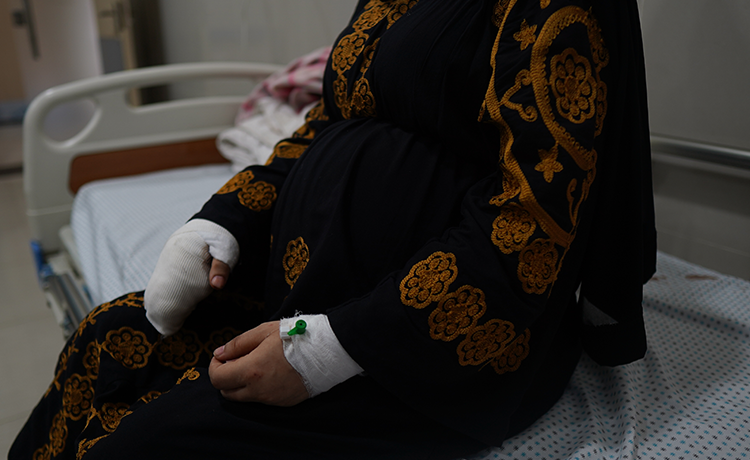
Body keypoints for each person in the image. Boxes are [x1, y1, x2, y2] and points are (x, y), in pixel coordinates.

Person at [10, 0, 656, 458]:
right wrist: (221, 220)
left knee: (146, 447)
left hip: (430, 343)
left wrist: (328, 348)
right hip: (308, 290)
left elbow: (533, 221)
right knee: (104, 343)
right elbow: (326, 121)